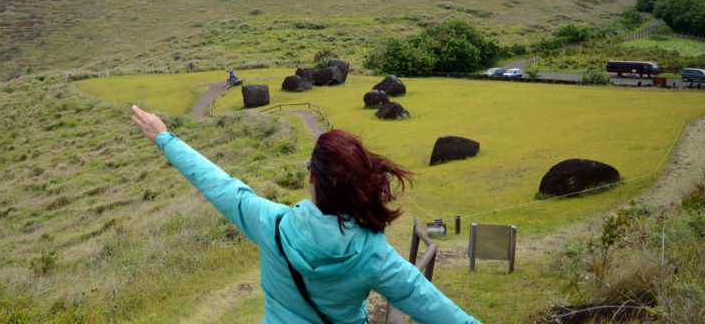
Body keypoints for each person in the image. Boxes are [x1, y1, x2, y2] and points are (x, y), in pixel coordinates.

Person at [131, 105, 483, 324]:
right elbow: (436, 309)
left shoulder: (270, 223)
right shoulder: (373, 254)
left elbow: (219, 185)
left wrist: (165, 138)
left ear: (312, 178)